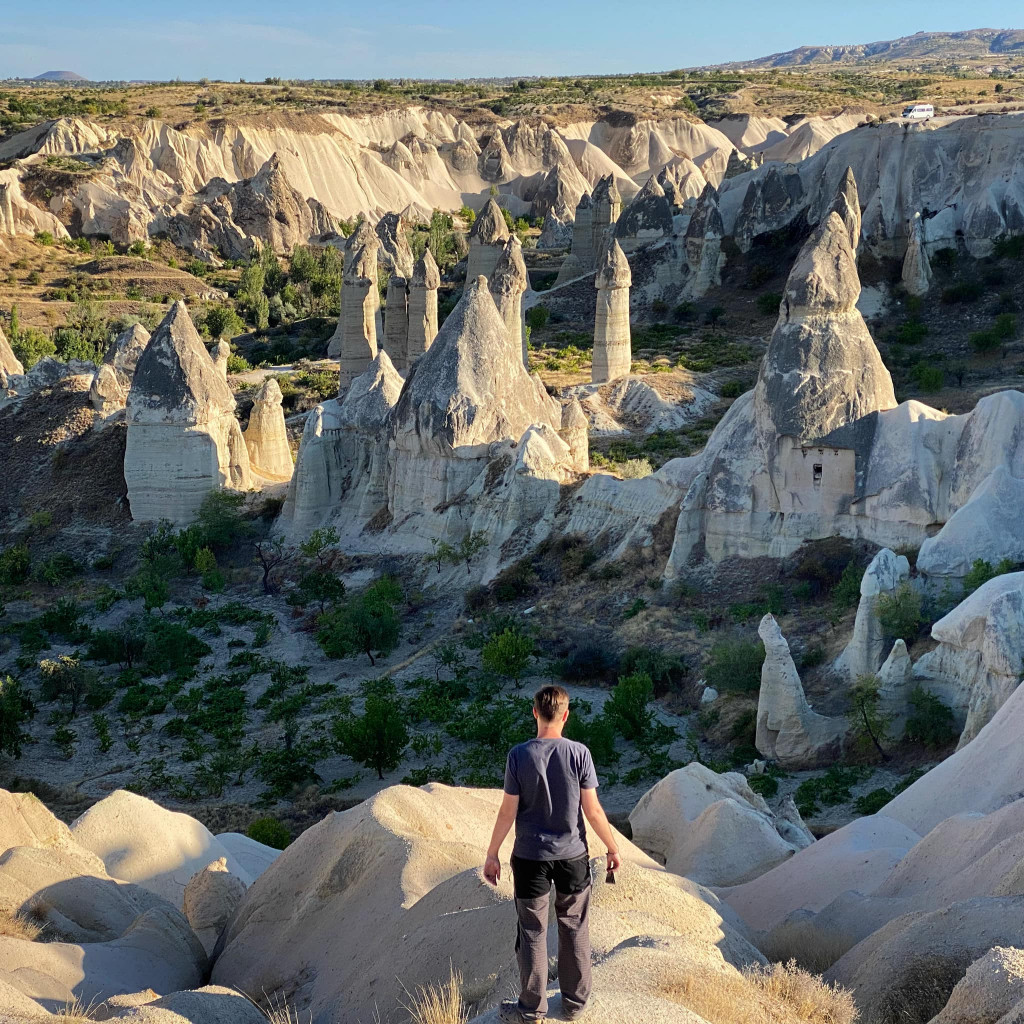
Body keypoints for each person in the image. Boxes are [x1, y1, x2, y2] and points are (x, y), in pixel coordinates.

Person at [483, 684, 621, 1023]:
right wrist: (612, 847)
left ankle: (531, 1010)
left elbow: (506, 812)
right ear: (565, 715)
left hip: (530, 857)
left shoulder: (518, 755)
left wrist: (492, 854)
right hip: (573, 855)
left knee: (532, 931)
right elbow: (594, 812)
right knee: (574, 926)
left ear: (535, 713)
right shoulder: (579, 754)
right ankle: (575, 1004)